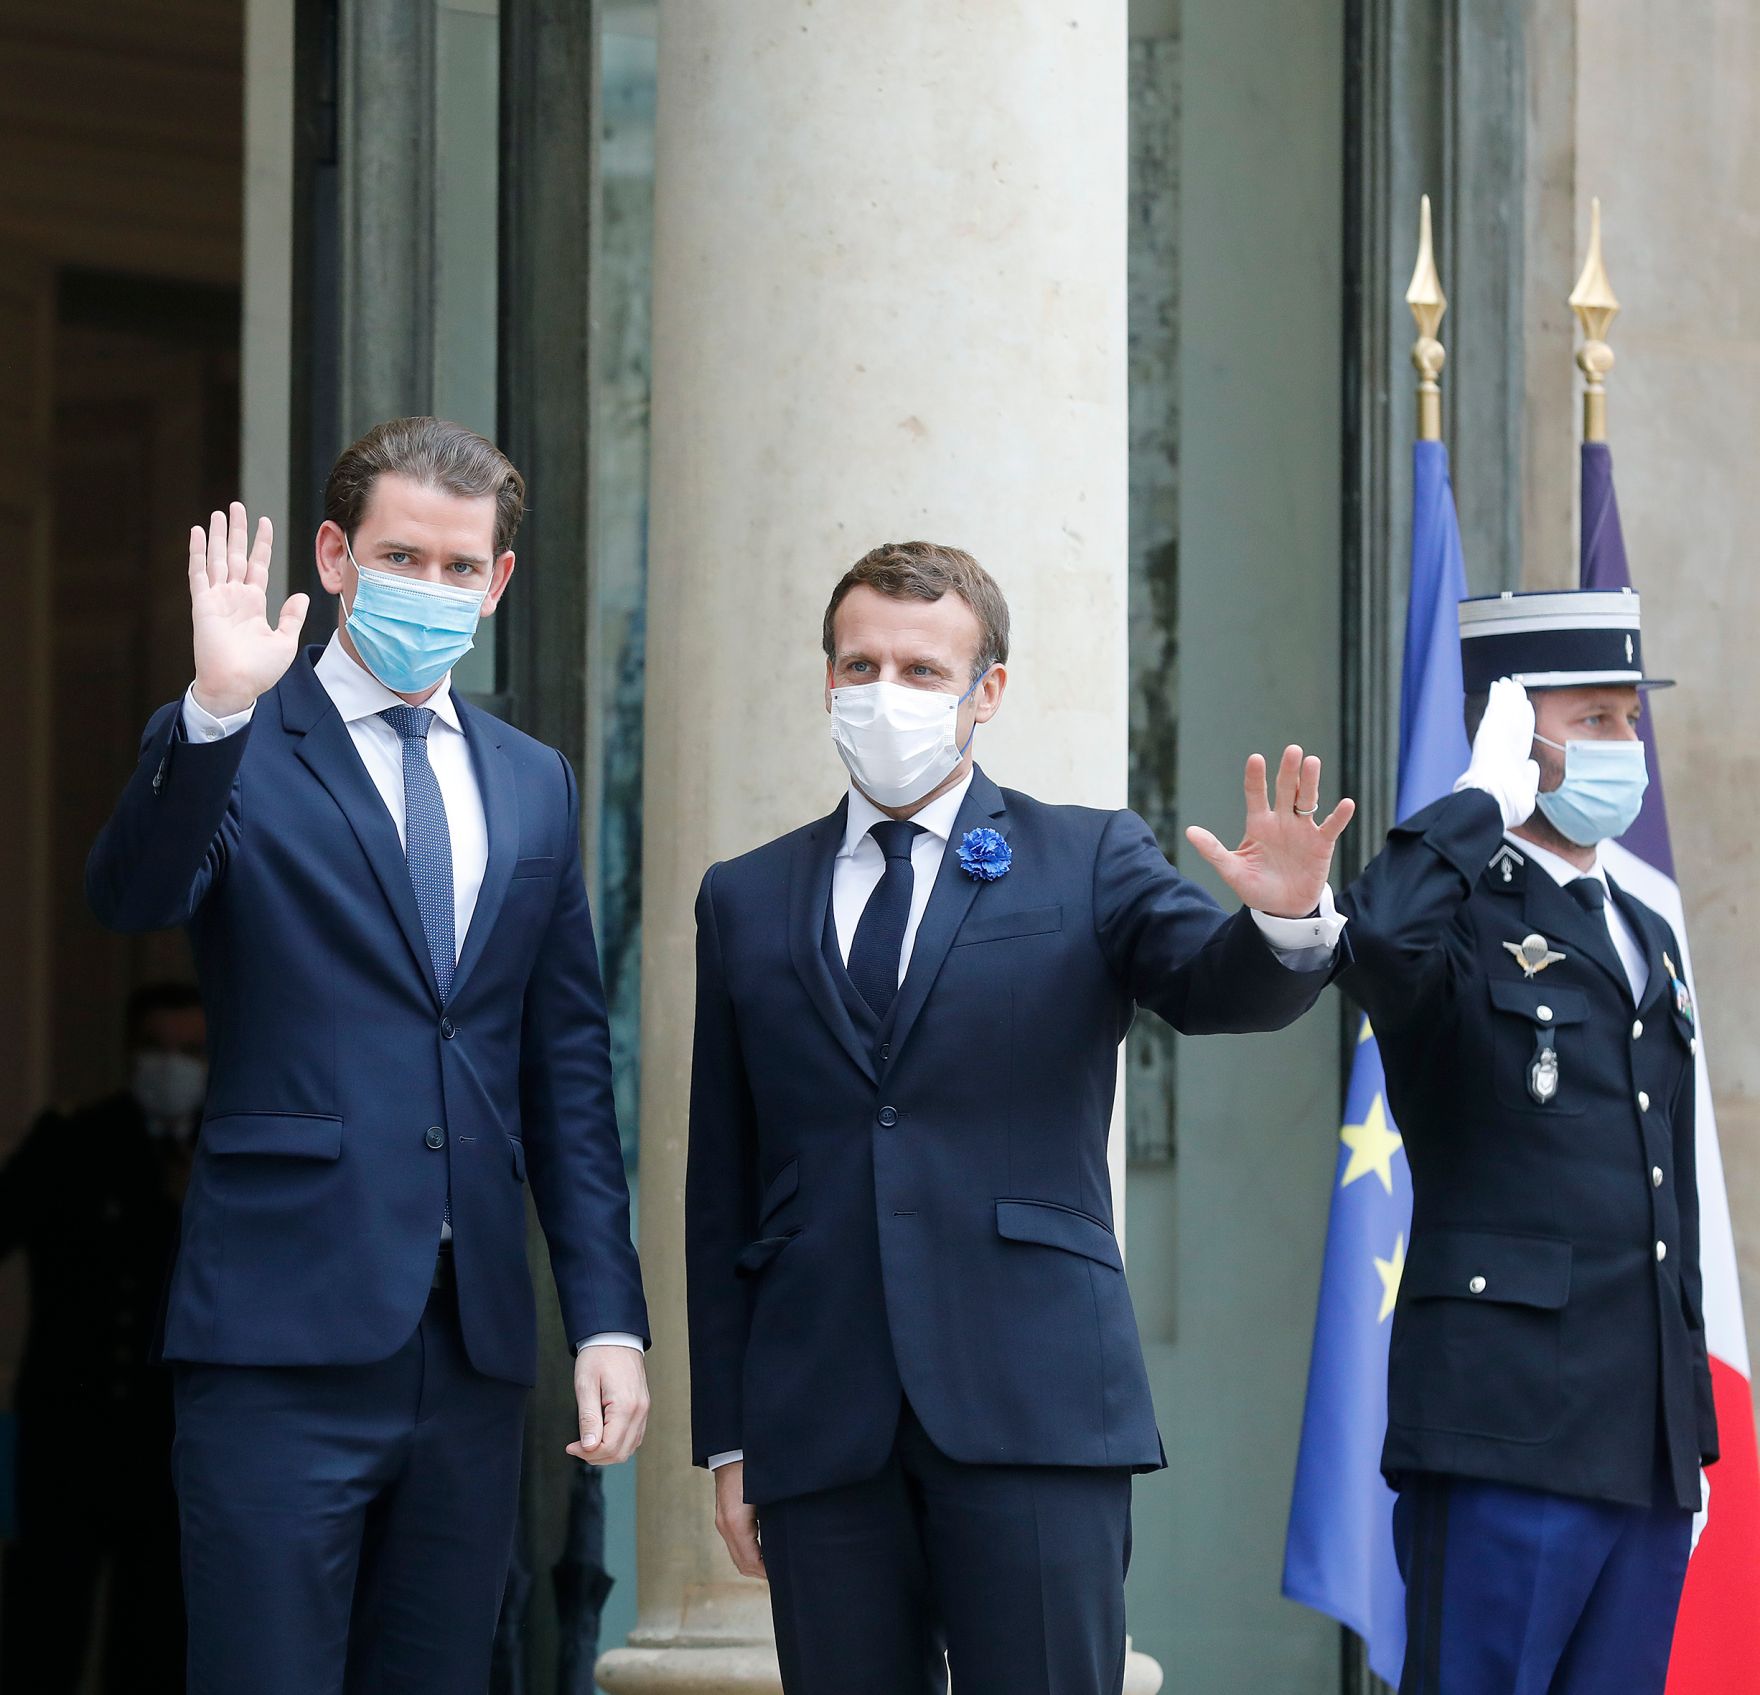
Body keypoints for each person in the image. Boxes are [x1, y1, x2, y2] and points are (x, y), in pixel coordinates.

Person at [685, 541, 1354, 1694]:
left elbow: (1208, 987)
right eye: (859, 664)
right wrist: (734, 1436)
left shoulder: (1085, 856)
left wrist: (1286, 923)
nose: (882, 693)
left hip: (1033, 1400)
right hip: (821, 1416)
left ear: (986, 690)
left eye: (920, 669)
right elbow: (722, 1180)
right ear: (825, 676)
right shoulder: (744, 894)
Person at [86, 417, 650, 1695]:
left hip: (469, 1353)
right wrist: (216, 709)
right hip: (279, 1336)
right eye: (404, 556)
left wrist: (606, 1318)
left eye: (462, 568)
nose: (434, 589)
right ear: (336, 556)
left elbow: (563, 1067)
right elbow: (130, 897)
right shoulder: (243, 740)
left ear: (499, 581)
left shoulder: (534, 783)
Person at [1338, 589, 1716, 1695]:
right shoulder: (1452, 912)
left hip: (1638, 1436)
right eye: (1591, 720)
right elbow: (1369, 943)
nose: (1622, 745)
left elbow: (1664, 1185)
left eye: (1627, 719)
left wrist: (1682, 1421)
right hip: (1503, 1424)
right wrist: (1473, 803)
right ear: (1515, 733)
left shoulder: (1639, 928)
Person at [0, 982, 205, 1692]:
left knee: (154, 1640)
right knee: (42, 1630)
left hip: (177, 1443)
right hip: (67, 1435)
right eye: (156, 1048)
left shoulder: (230, 1150)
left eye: (189, 1050)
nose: (171, 1065)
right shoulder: (72, 1141)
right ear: (128, 1051)